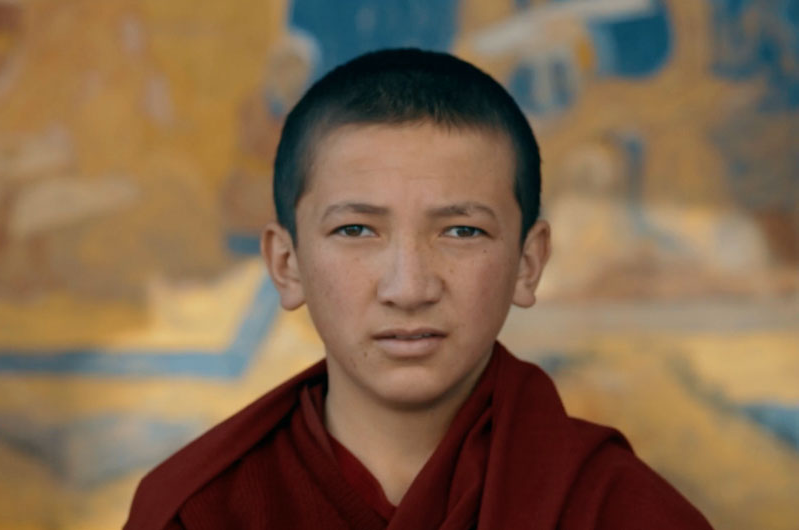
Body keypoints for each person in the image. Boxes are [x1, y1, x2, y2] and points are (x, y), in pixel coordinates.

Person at [125, 48, 712, 530]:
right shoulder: (199, 512)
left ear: (528, 263)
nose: (408, 289)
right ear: (287, 264)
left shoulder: (618, 509)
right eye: (356, 230)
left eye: (462, 231)